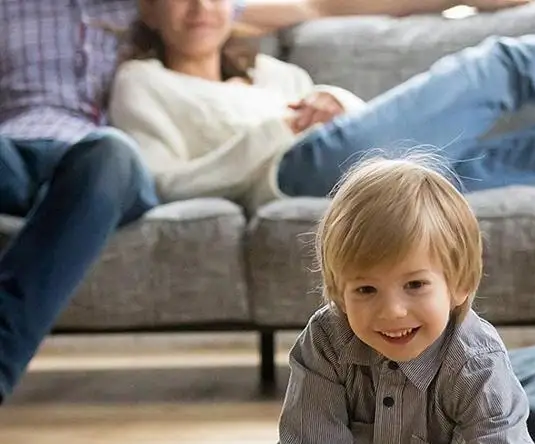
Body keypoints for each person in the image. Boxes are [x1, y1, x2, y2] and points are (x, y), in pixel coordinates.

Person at [0, 0, 490, 405]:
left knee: (112, 154)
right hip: (13, 147)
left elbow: (317, 6)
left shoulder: (144, 12)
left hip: (95, 164)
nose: (201, 8)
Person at [211, 156, 535, 444]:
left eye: (415, 285)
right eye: (366, 290)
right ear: (338, 291)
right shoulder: (327, 341)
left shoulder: (476, 358)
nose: (391, 312)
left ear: (460, 284)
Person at [108, 0, 535, 215]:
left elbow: (370, 128)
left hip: (380, 180)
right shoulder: (143, 82)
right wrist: (273, 132)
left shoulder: (276, 71)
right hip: (300, 174)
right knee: (503, 65)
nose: (200, 7)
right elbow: (159, 184)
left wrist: (338, 102)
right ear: (148, 9)